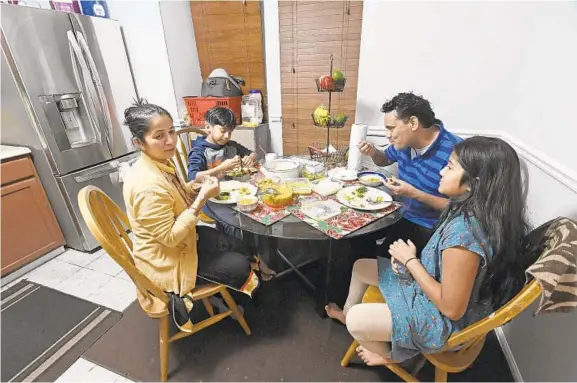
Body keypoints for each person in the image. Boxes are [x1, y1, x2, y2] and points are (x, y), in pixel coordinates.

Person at [326, 136, 532, 368]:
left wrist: (411, 261)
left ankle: (390, 355)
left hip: (441, 321)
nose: (442, 171)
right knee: (361, 266)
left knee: (358, 320)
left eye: (450, 166)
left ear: (474, 182)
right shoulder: (476, 209)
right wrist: (411, 262)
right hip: (431, 288)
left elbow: (452, 309)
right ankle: (351, 315)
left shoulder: (464, 238)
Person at [122, 99, 260, 327]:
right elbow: (170, 238)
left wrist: (196, 187)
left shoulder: (158, 164)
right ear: (139, 142)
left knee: (236, 243)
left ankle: (227, 291)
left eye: (171, 131)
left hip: (183, 243)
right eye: (158, 136)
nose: (170, 141)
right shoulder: (146, 184)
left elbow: (175, 193)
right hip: (165, 262)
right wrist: (202, 198)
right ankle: (222, 299)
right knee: (238, 264)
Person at [356, 92, 462, 258]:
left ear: (413, 123)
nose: (387, 135)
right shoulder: (404, 143)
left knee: (382, 259)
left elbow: (461, 208)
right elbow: (383, 160)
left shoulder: (455, 152)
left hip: (429, 226)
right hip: (399, 212)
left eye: (391, 128)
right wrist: (373, 152)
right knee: (356, 235)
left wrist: (414, 193)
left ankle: (369, 270)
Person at [187, 106, 257, 181]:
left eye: (230, 132)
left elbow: (253, 154)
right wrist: (221, 168)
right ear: (208, 128)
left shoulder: (230, 145)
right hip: (212, 190)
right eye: (223, 131)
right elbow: (192, 177)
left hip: (234, 187)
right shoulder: (199, 151)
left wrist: (249, 158)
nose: (227, 136)